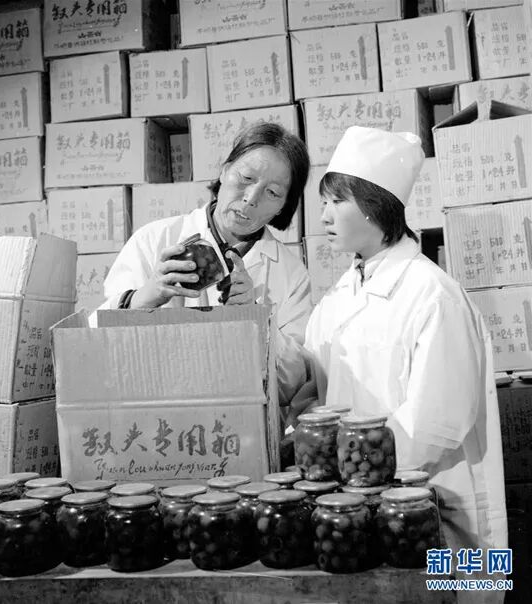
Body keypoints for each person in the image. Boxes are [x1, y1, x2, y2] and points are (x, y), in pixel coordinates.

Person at [304, 126, 507, 564]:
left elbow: (440, 420)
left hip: (428, 498)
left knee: (444, 584)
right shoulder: (337, 298)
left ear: (374, 207)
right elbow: (313, 390)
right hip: (356, 502)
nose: (324, 217)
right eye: (324, 202)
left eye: (337, 201)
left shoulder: (433, 294)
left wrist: (360, 469)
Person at [92, 122, 312, 411]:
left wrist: (256, 318)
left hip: (239, 423)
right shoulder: (155, 240)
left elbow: (292, 386)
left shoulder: (291, 273)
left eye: (272, 192)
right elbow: (91, 347)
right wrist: (146, 296)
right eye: (246, 178)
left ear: (283, 206)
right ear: (224, 171)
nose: (251, 198)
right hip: (155, 415)